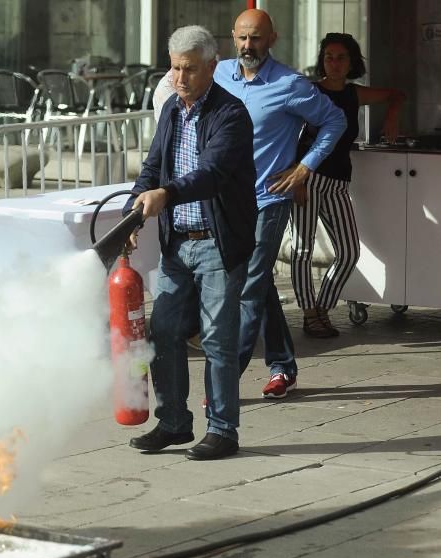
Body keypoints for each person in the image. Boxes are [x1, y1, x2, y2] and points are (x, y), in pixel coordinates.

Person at [126, 25, 257, 461]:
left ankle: (223, 430)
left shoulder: (231, 114)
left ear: (211, 68)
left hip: (217, 243)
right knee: (163, 330)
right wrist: (134, 212)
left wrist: (167, 194)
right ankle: (174, 422)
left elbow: (213, 174)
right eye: (175, 68)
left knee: (218, 339)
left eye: (190, 70)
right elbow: (152, 168)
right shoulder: (171, 111)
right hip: (176, 243)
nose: (180, 78)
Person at [213, 9, 346, 399]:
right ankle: (283, 367)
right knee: (261, 285)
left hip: (269, 199)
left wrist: (305, 167)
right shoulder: (218, 73)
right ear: (232, 37)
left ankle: (225, 382)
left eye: (255, 38)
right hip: (226, 199)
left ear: (272, 38)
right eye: (241, 38)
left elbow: (334, 121)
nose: (247, 46)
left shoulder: (291, 84)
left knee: (248, 288)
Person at [291, 32, 405, 338]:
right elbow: (291, 138)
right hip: (308, 178)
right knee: (302, 249)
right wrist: (295, 178)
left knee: (349, 251)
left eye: (341, 57)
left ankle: (322, 308)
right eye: (329, 56)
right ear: (322, 60)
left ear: (351, 62)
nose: (335, 63)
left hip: (339, 182)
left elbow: (396, 94)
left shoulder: (354, 94)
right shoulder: (310, 93)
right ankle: (309, 313)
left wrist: (392, 116)